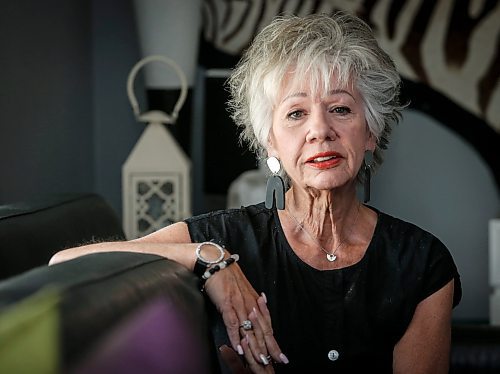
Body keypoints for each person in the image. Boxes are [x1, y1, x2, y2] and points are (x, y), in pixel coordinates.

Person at [50, 12, 461, 373]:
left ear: (370, 132)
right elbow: (64, 262)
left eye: (341, 108)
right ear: (270, 144)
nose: (320, 130)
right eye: (296, 113)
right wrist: (206, 257)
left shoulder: (423, 265)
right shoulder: (225, 240)